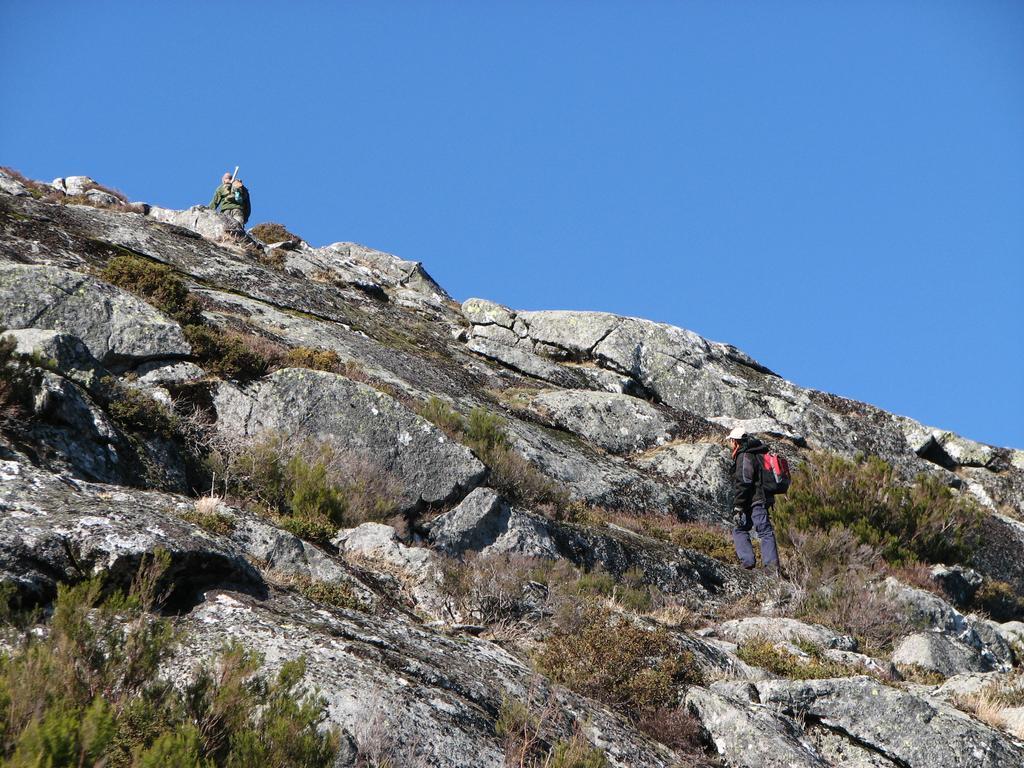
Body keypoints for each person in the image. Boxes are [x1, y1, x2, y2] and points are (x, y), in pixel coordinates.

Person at [727, 426, 781, 573]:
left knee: (758, 530)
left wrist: (738, 505)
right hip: (761, 498)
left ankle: (758, 565)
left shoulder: (744, 455)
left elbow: (744, 481)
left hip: (754, 500)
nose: (729, 444)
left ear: (735, 441)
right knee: (743, 529)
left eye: (730, 441)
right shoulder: (757, 452)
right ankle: (761, 565)